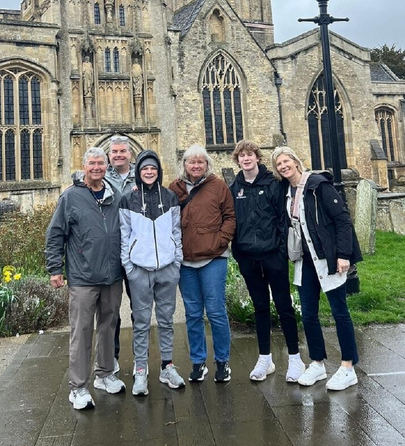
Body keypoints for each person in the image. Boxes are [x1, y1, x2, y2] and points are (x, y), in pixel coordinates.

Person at [271, 146, 362, 391]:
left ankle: (347, 367)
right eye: (278, 164)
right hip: (305, 260)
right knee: (308, 313)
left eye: (286, 161)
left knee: (339, 311)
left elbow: (342, 219)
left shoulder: (319, 186)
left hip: (327, 257)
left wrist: (344, 254)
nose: (283, 166)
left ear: (296, 161)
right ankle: (318, 362)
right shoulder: (285, 191)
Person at [45, 147, 124, 410]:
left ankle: (104, 374)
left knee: (108, 326)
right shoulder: (71, 197)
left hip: (112, 274)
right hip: (83, 276)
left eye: (101, 163)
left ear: (106, 166)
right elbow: (55, 233)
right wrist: (55, 268)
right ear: (84, 166)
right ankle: (78, 387)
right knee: (81, 331)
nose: (97, 168)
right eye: (92, 163)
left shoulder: (115, 194)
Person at [229, 140, 305, 383]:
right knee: (260, 308)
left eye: (250, 154)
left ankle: (295, 358)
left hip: (273, 256)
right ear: (237, 160)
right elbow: (233, 222)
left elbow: (282, 219)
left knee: (284, 307)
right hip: (249, 259)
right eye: (242, 156)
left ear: (257, 158)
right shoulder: (233, 188)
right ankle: (265, 359)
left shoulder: (273, 184)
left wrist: (280, 250)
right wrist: (239, 253)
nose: (246, 159)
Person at [120, 150, 185, 396]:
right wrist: (129, 267)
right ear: (139, 172)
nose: (149, 172)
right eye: (145, 168)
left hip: (167, 269)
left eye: (153, 169)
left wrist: (176, 261)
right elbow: (125, 236)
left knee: (167, 320)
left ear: (158, 171)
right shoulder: (128, 199)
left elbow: (176, 231)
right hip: (140, 270)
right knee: (141, 322)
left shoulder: (169, 197)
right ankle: (140, 370)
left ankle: (167, 365)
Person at [169, 145, 236, 383]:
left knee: (216, 311)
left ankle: (222, 361)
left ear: (207, 164)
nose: (196, 166)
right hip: (186, 262)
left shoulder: (218, 186)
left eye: (200, 162)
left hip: (213, 258)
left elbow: (230, 216)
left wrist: (221, 240)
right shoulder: (174, 189)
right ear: (184, 164)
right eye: (191, 162)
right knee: (193, 313)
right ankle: (198, 362)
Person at [106, 135, 136, 371]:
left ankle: (141, 356)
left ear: (130, 153)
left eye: (122, 151)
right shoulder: (99, 177)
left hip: (137, 251)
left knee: (140, 306)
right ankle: (112, 359)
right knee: (111, 309)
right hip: (111, 251)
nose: (118, 155)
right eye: (114, 152)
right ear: (109, 155)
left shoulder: (144, 174)